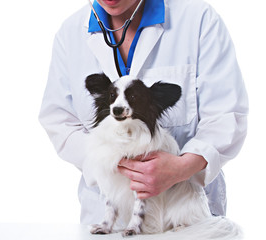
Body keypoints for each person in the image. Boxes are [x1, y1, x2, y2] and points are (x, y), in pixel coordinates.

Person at [38, 0, 248, 225]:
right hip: (109, 216)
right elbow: (59, 120)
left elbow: (225, 115)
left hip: (183, 213)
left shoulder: (198, 20)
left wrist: (182, 167)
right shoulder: (70, 34)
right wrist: (111, 162)